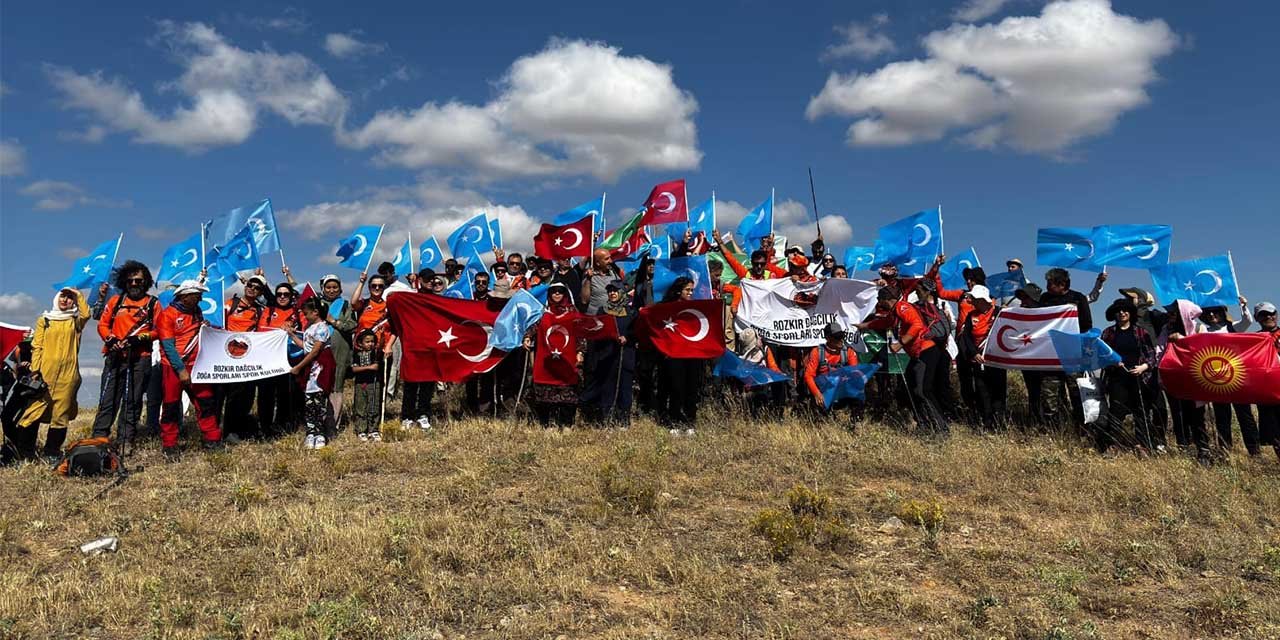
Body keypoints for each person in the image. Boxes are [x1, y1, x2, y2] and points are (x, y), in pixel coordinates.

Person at [856, 286, 948, 436]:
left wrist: (900, 343)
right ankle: (923, 423)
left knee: (923, 390)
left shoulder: (902, 307)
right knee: (909, 389)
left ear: (886, 300)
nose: (878, 302)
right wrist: (863, 326)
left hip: (927, 351)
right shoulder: (894, 313)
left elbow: (917, 325)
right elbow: (884, 323)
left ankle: (941, 429)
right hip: (917, 355)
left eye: (880, 299)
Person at [12, 287, 90, 460]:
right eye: (63, 296)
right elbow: (37, 346)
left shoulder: (75, 321)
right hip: (44, 374)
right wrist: (35, 370)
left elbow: (86, 314)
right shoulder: (45, 320)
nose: (65, 300)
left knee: (60, 415)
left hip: (68, 376)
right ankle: (25, 453)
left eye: (70, 298)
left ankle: (52, 453)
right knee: (33, 412)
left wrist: (78, 295)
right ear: (56, 298)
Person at [92, 260, 160, 445]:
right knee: (107, 400)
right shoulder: (116, 301)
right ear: (124, 282)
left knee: (132, 401)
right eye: (130, 280)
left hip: (140, 358)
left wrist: (140, 339)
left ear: (145, 281)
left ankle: (125, 440)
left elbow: (158, 330)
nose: (134, 284)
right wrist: (111, 339)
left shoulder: (153, 303)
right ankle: (98, 440)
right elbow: (103, 324)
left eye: (138, 280)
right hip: (115, 356)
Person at [155, 280, 222, 458]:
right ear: (185, 296)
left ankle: (212, 439)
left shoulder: (196, 312)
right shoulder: (167, 315)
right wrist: (181, 370)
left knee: (205, 402)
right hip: (174, 367)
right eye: (197, 295)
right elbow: (168, 347)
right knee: (171, 405)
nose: (200, 298)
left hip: (197, 365)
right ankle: (170, 444)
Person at [1198, 297, 1259, 456]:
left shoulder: (1233, 327)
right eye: (1208, 313)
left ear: (1222, 313)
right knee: (1222, 418)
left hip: (1237, 379)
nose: (1212, 315)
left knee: (1245, 416)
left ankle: (1254, 451)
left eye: (1215, 312)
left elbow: (1247, 321)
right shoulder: (1204, 332)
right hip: (1217, 380)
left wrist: (1243, 305)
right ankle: (1225, 450)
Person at [1098, 298, 1158, 454]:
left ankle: (1142, 445)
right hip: (1117, 378)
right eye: (1118, 311)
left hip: (1139, 378)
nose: (1122, 313)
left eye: (1125, 310)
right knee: (1116, 411)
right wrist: (1112, 362)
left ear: (1130, 313)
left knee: (1141, 412)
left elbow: (1152, 356)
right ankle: (1113, 445)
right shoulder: (1108, 333)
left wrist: (1144, 367)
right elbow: (1102, 355)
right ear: (1114, 314)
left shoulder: (1141, 332)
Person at [1159, 300, 1212, 463]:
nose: (1171, 315)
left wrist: (1182, 341)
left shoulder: (1199, 328)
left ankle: (1203, 448)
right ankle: (1184, 446)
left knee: (1197, 415)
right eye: (1170, 312)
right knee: (1179, 413)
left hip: (1195, 378)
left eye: (1175, 312)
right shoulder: (1166, 330)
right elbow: (1160, 352)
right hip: (1176, 378)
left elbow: (1205, 350)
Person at [581, 280, 635, 426]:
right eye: (610, 291)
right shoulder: (602, 311)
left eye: (615, 291)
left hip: (625, 355)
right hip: (606, 355)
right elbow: (597, 330)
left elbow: (636, 331)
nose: (612, 293)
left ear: (622, 293)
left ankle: (623, 420)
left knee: (624, 388)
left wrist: (627, 337)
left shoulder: (630, 311)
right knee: (607, 387)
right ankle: (607, 419)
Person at [222, 274, 267, 442]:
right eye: (250, 285)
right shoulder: (230, 304)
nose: (252, 289)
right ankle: (228, 431)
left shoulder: (260, 309)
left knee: (247, 396)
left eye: (257, 288)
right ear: (245, 285)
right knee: (232, 395)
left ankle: (241, 429)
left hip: (249, 358)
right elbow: (217, 322)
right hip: (228, 357)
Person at [657, 277, 705, 434]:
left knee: (691, 388)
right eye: (687, 290)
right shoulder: (666, 308)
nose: (691, 293)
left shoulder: (696, 308)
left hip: (692, 354)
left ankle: (690, 422)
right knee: (676, 388)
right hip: (674, 355)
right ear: (679, 291)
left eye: (692, 290)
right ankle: (674, 422)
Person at [529, 283, 581, 428]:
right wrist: (527, 337)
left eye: (560, 292)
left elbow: (580, 333)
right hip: (547, 360)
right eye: (553, 292)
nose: (556, 294)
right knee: (546, 395)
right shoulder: (543, 313)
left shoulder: (573, 313)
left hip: (567, 359)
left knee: (567, 393)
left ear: (565, 294)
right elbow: (534, 328)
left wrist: (581, 352)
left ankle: (566, 424)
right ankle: (547, 425)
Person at [257, 282, 305, 438]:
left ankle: (282, 426)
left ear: (291, 296)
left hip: (290, 359)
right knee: (266, 394)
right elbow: (261, 330)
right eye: (279, 294)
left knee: (286, 394)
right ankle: (265, 427)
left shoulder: (298, 312)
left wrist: (292, 331)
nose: (282, 297)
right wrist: (279, 330)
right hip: (269, 359)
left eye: (286, 294)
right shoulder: (269, 311)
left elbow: (305, 330)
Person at [289, 298, 334, 450]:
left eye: (306, 313)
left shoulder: (322, 328)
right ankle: (311, 432)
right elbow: (306, 346)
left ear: (315, 312)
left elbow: (315, 351)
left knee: (319, 403)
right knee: (309, 403)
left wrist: (299, 366)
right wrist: (292, 335)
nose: (305, 316)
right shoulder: (309, 328)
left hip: (319, 369)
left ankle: (320, 433)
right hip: (310, 371)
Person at [960, 286, 1006, 430]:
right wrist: (974, 353)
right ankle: (986, 423)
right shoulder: (971, 316)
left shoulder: (999, 312)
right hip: (978, 360)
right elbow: (966, 336)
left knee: (998, 392)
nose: (972, 302)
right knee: (982, 392)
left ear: (982, 300)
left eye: (975, 299)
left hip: (996, 360)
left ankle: (999, 423)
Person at [319, 274, 357, 436]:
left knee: (336, 388)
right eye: (328, 287)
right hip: (320, 353)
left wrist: (333, 321)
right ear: (323, 289)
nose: (332, 290)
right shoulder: (317, 304)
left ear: (340, 289)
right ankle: (318, 424)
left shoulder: (345, 305)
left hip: (340, 353)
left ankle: (333, 426)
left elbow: (352, 326)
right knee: (320, 388)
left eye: (335, 287)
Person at [802, 322, 861, 419]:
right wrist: (817, 393)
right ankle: (824, 417)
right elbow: (808, 376)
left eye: (842, 336)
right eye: (837, 337)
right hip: (824, 391)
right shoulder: (817, 352)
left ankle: (857, 421)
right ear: (828, 338)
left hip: (841, 388)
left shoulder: (849, 352)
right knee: (822, 418)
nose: (841, 340)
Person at [1253, 302, 1280, 461]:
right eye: (1264, 314)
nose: (1269, 317)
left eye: (1272, 313)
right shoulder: (1255, 339)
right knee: (1273, 430)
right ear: (1257, 318)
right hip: (1266, 391)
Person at [350, 330, 383, 442]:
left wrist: (382, 335)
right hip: (360, 383)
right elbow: (354, 368)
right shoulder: (356, 354)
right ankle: (361, 430)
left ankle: (373, 429)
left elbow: (381, 346)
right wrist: (369, 367)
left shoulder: (375, 353)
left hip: (374, 383)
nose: (370, 344)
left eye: (372, 341)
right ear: (360, 343)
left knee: (374, 406)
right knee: (360, 406)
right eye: (367, 341)